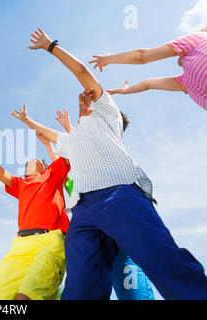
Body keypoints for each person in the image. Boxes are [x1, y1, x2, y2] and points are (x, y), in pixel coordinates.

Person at [26, 27, 207, 299]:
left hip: (120, 195)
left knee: (164, 261)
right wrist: (28, 121)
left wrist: (51, 46)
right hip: (83, 212)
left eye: (89, 98)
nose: (85, 99)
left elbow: (82, 73)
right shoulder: (73, 139)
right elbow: (47, 133)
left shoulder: (108, 116)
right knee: (81, 287)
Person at [55, 107, 155, 300]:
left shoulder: (112, 152)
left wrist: (74, 122)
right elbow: (80, 143)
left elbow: (85, 139)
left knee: (134, 294)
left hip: (123, 241)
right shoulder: (77, 179)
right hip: (97, 239)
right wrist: (68, 127)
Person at [0, 113, 70, 300]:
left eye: (38, 161)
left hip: (50, 239)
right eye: (29, 162)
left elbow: (70, 150)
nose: (33, 160)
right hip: (21, 243)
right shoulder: (20, 184)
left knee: (26, 297)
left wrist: (47, 143)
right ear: (25, 170)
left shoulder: (52, 174)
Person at [89, 28, 206, 110]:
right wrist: (125, 91)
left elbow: (141, 57)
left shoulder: (200, 37)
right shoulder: (186, 82)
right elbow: (148, 84)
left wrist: (108, 59)